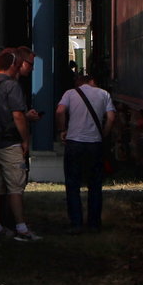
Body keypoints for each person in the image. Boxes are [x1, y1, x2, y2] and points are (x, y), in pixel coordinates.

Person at [0, 49, 42, 241]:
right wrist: (25, 139)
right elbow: (17, 115)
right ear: (12, 65)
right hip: (9, 143)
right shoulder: (12, 86)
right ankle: (21, 228)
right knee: (16, 187)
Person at [55, 74, 116, 233]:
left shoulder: (69, 93)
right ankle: (94, 223)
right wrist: (104, 134)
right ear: (92, 81)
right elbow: (111, 117)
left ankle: (76, 222)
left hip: (74, 143)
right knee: (95, 184)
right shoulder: (104, 94)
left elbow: (60, 111)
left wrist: (63, 130)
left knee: (73, 183)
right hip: (95, 144)